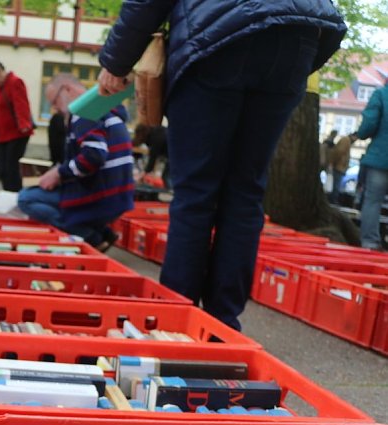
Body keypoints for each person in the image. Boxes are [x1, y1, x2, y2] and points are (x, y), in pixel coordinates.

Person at [97, 0, 346, 331]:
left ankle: (178, 317)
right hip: (294, 37)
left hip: (215, 37)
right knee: (245, 191)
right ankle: (223, 322)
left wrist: (116, 60)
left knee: (196, 192)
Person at [18, 74, 134, 252]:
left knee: (26, 198)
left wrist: (58, 174)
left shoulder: (84, 112)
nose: (55, 108)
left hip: (100, 194)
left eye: (54, 102)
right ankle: (103, 232)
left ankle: (91, 237)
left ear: (67, 89)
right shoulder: (104, 108)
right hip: (119, 194)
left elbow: (93, 156)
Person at [0, 60, 34, 192]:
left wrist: (24, 124)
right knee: (3, 171)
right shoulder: (0, 88)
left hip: (17, 134)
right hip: (3, 135)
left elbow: (21, 105)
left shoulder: (15, 82)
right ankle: (8, 195)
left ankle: (15, 198)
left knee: (12, 170)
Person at [357, 81, 388, 250]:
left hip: (380, 157)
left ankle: (370, 243)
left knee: (372, 202)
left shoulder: (381, 94)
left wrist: (361, 134)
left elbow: (368, 125)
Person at [328, 132, 357, 205]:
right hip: (339, 167)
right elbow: (339, 152)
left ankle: (333, 200)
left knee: (336, 185)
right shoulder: (346, 140)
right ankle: (333, 201)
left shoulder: (346, 141)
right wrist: (333, 163)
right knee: (336, 185)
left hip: (340, 167)